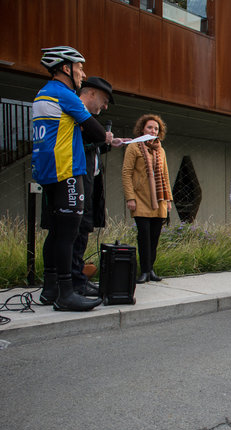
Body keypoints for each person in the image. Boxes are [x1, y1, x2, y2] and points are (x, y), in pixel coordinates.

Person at [33, 46, 106, 312]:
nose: (82, 74)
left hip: (48, 172)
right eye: (79, 68)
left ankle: (50, 288)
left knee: (55, 232)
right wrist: (107, 137)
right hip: (68, 172)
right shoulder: (67, 96)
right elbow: (97, 133)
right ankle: (66, 293)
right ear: (66, 68)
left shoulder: (42, 94)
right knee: (68, 234)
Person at [71, 77, 127, 297]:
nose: (104, 107)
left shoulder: (87, 120)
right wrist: (101, 139)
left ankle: (77, 279)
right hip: (76, 181)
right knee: (74, 232)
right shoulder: (77, 116)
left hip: (89, 182)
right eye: (104, 101)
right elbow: (76, 147)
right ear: (91, 93)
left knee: (83, 230)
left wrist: (105, 143)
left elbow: (89, 148)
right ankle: (73, 281)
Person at [122, 114, 173, 284]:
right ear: (142, 128)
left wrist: (169, 199)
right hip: (140, 198)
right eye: (150, 127)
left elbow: (165, 175)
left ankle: (151, 269)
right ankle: (143, 271)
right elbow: (126, 173)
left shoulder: (161, 150)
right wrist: (130, 197)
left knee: (154, 237)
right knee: (143, 236)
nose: (153, 130)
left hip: (159, 200)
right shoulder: (134, 147)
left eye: (156, 128)